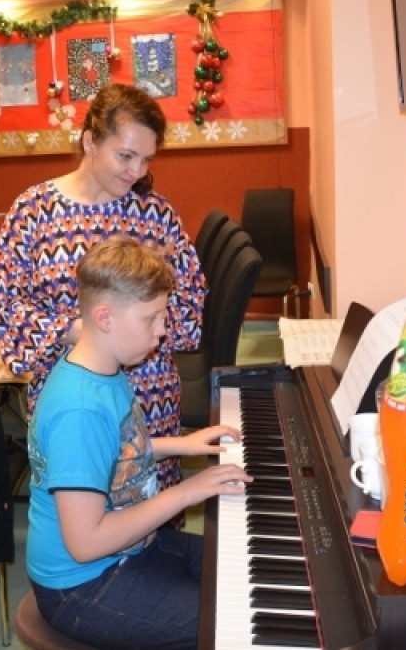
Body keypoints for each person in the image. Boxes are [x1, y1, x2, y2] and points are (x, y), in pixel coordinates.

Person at [26, 237, 250, 649]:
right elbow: (85, 543)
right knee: (235, 626)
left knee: (245, 569)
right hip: (83, 584)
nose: (163, 330)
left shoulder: (100, 367)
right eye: (152, 318)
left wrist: (181, 445)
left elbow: (115, 452)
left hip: (130, 549)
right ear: (105, 318)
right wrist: (186, 492)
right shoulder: (79, 409)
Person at [0, 83, 206, 496]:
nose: (137, 171)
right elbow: (7, 311)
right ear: (90, 141)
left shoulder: (155, 215)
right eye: (125, 156)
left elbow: (190, 305)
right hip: (70, 402)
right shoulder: (34, 211)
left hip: (146, 396)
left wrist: (145, 322)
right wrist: (81, 333)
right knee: (79, 508)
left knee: (148, 515)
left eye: (146, 159)